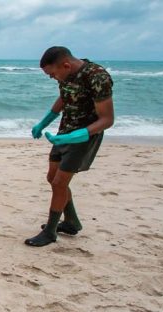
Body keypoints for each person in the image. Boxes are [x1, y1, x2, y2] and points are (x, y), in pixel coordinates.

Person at [25, 46, 114, 247]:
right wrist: (44, 122)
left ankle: (50, 231)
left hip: (83, 138)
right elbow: (64, 99)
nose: (52, 78)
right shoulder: (66, 75)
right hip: (64, 133)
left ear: (66, 65)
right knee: (52, 178)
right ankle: (71, 222)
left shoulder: (97, 77)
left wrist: (80, 134)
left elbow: (107, 119)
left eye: (52, 74)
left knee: (59, 183)